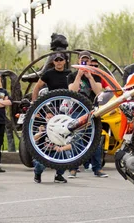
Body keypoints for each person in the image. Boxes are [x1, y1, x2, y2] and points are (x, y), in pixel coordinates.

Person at [31, 52, 70, 183]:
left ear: (65, 61)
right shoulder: (48, 74)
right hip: (51, 109)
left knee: (65, 138)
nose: (59, 62)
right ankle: (38, 172)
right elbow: (37, 87)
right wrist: (34, 104)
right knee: (46, 134)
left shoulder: (69, 74)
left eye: (61, 60)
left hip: (66, 110)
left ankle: (59, 174)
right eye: (56, 60)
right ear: (53, 62)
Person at [66, 57, 107, 178]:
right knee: (76, 140)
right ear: (78, 61)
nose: (85, 63)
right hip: (77, 111)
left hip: (93, 111)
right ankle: (73, 168)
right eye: (82, 61)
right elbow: (72, 91)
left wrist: (90, 77)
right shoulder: (72, 76)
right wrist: (79, 76)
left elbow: (99, 92)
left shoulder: (96, 75)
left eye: (87, 61)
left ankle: (97, 169)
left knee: (96, 140)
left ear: (90, 62)